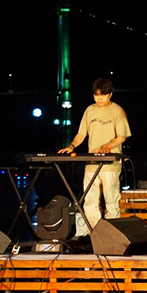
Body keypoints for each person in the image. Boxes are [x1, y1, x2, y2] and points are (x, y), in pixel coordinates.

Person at [58, 78, 131, 229]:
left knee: (111, 200)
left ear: (110, 94)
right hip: (91, 163)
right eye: (96, 95)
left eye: (102, 95)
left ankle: (111, 233)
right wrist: (72, 146)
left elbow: (121, 137)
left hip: (110, 164)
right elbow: (81, 134)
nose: (99, 98)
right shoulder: (89, 110)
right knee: (90, 200)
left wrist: (107, 146)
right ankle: (94, 233)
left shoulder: (117, 111)